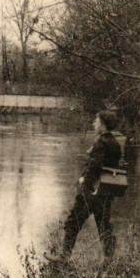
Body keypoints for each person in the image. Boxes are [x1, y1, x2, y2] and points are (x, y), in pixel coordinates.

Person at [56, 110, 123, 263]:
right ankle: (109, 260)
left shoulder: (100, 143)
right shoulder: (116, 144)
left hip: (92, 192)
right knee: (104, 225)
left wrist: (84, 187)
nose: (94, 123)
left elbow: (93, 168)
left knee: (73, 221)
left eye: (96, 121)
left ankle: (64, 257)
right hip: (106, 191)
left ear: (103, 125)